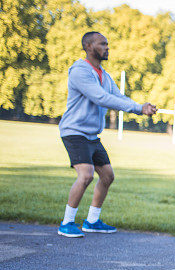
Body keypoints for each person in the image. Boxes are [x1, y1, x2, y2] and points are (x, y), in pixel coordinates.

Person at [57, 31, 157, 237]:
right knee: (85, 175)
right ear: (88, 46)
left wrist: (141, 106)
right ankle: (66, 223)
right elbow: (101, 98)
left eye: (107, 44)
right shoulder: (80, 72)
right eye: (102, 44)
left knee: (107, 176)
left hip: (92, 135)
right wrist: (137, 109)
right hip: (75, 132)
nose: (107, 48)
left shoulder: (104, 75)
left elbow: (118, 97)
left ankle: (92, 220)